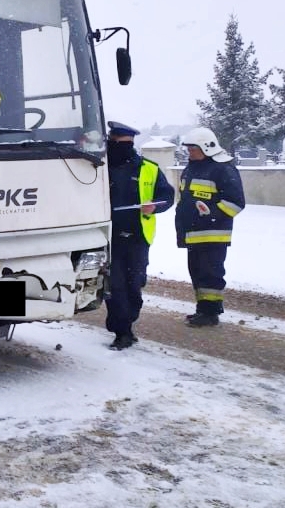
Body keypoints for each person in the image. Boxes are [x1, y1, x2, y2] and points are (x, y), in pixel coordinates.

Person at [105, 121, 175, 350]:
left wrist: (154, 206)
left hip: (137, 238)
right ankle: (121, 330)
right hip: (109, 238)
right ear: (111, 141)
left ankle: (127, 323)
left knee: (134, 284)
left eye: (127, 144)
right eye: (118, 143)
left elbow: (167, 196)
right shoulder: (101, 168)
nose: (122, 147)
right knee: (115, 286)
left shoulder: (149, 168)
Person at [176, 127, 245, 327]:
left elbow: (236, 202)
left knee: (210, 274)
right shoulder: (191, 168)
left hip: (214, 234)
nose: (190, 152)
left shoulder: (222, 168)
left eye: (193, 149)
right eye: (188, 149)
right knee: (197, 272)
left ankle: (211, 314)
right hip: (193, 233)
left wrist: (211, 215)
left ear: (207, 147)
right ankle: (202, 309)